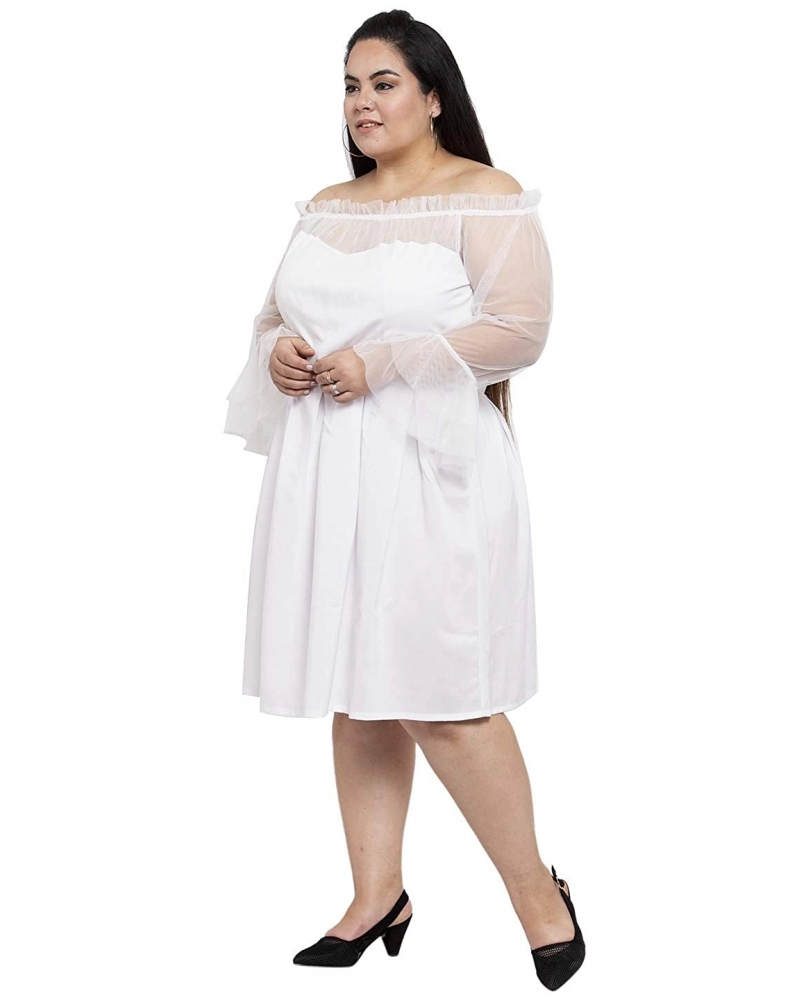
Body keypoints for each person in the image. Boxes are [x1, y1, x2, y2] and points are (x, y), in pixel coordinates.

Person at [223, 11, 585, 991]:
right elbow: (273, 315)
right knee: (358, 684)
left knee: (445, 698)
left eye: (382, 83)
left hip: (434, 476)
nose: (361, 102)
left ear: (432, 95)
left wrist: (382, 364)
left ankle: (539, 897)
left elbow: (520, 330)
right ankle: (375, 893)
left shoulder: (486, 195)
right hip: (328, 471)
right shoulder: (327, 207)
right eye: (350, 85)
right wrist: (279, 352)